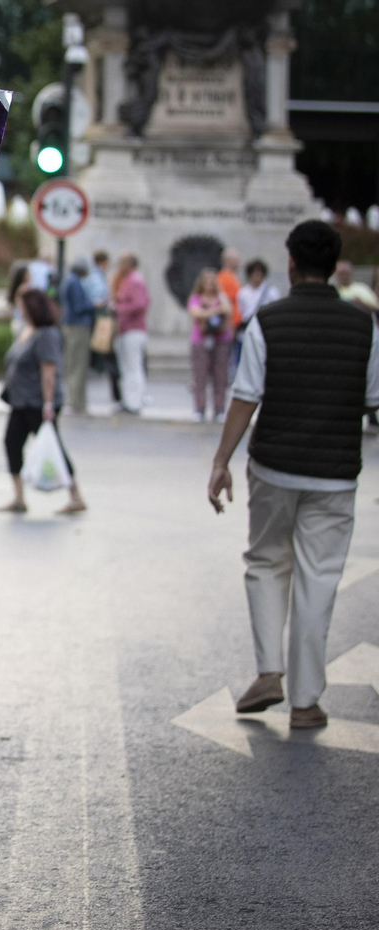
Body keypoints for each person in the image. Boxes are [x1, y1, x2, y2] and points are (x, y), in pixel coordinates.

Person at [208, 220, 379, 729]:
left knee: (265, 562)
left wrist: (221, 462)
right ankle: (306, 702)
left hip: (275, 468)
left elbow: (245, 397)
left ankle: (268, 673)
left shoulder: (268, 321)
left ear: (291, 262)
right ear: (335, 265)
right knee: (319, 579)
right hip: (335, 476)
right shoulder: (365, 326)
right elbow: (375, 403)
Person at [0, 289, 87, 515]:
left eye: (22, 305)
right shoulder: (29, 330)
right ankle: (19, 497)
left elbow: (49, 370)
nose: (20, 309)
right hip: (20, 401)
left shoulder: (47, 333)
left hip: (38, 403)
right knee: (12, 443)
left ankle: (76, 496)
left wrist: (48, 404)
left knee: (54, 447)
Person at [333, 260, 379, 436]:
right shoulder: (333, 291)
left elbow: (376, 308)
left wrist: (361, 304)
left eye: (346, 273)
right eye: (340, 273)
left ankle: (371, 419)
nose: (343, 276)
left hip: (361, 344)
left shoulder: (361, 290)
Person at [186, 269, 234, 421]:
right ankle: (200, 408)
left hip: (220, 340)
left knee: (220, 375)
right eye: (206, 282)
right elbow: (195, 313)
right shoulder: (196, 298)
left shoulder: (221, 297)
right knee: (200, 375)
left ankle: (219, 408)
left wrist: (212, 308)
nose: (209, 285)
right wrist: (216, 310)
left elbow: (228, 310)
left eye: (212, 282)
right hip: (201, 340)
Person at [111, 252, 150, 413]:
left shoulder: (135, 281)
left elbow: (140, 304)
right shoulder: (126, 279)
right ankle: (128, 400)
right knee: (126, 368)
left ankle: (135, 401)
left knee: (134, 367)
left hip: (133, 330)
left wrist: (118, 309)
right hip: (124, 330)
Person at [60, 257, 96, 414]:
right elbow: (78, 306)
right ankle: (75, 402)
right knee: (77, 364)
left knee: (74, 363)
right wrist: (94, 304)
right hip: (77, 326)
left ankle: (78, 401)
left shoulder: (71, 281)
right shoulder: (74, 282)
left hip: (73, 325)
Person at [87, 250, 118, 404]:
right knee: (102, 348)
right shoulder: (95, 277)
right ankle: (97, 366)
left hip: (100, 317)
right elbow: (96, 298)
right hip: (99, 318)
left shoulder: (98, 276)